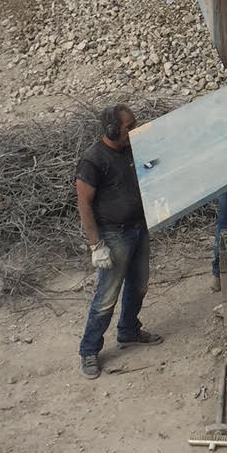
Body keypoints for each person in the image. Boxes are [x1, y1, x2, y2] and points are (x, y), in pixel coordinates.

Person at [76, 104, 163, 379]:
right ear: (113, 130)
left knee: (139, 285)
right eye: (129, 126)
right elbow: (84, 204)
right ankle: (89, 351)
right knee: (106, 296)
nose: (133, 130)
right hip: (114, 235)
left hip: (138, 228)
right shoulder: (93, 160)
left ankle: (128, 330)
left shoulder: (131, 149)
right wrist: (96, 245)